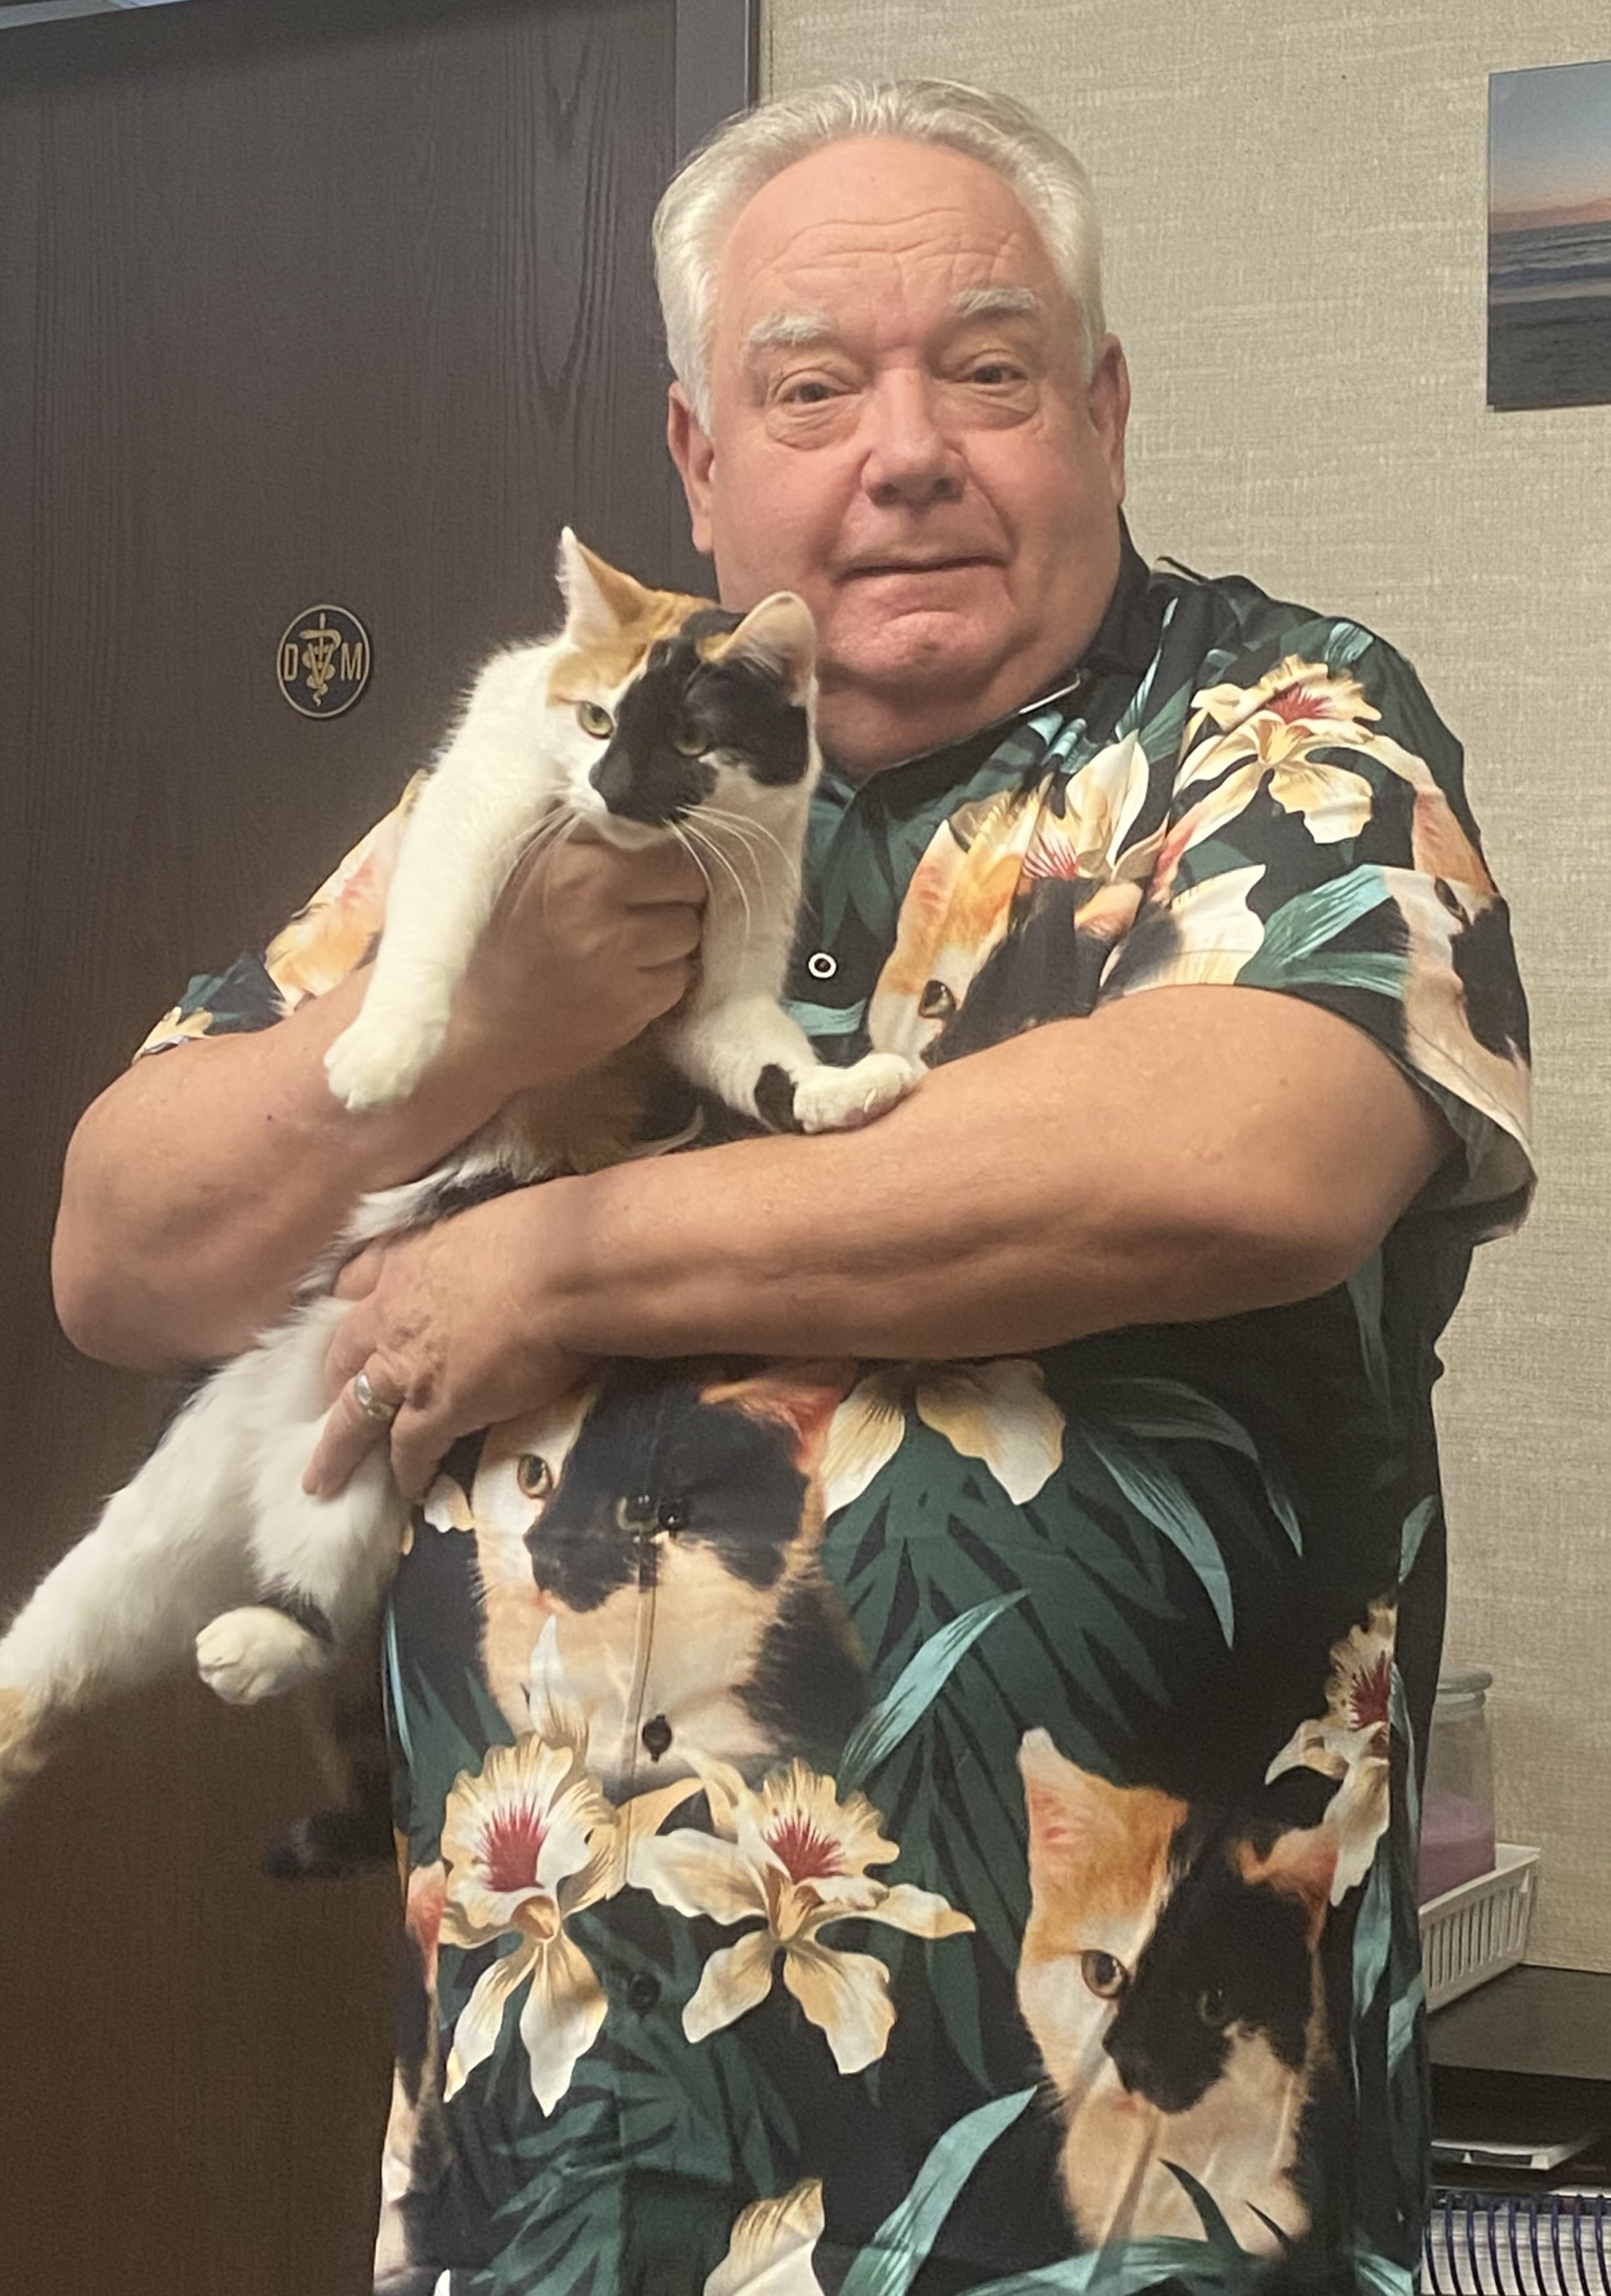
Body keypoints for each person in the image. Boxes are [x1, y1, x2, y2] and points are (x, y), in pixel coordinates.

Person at [53, 79, 1532, 2296]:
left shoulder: (1275, 724)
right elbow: (120, 1247)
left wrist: (552, 1258)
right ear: (698, 460)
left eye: (992, 370)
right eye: (814, 384)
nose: (907, 447)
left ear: (1103, 411)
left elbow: (1250, 1150)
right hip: (555, 2173)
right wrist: (463, 1039)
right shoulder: (557, 788)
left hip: (1115, 2197)